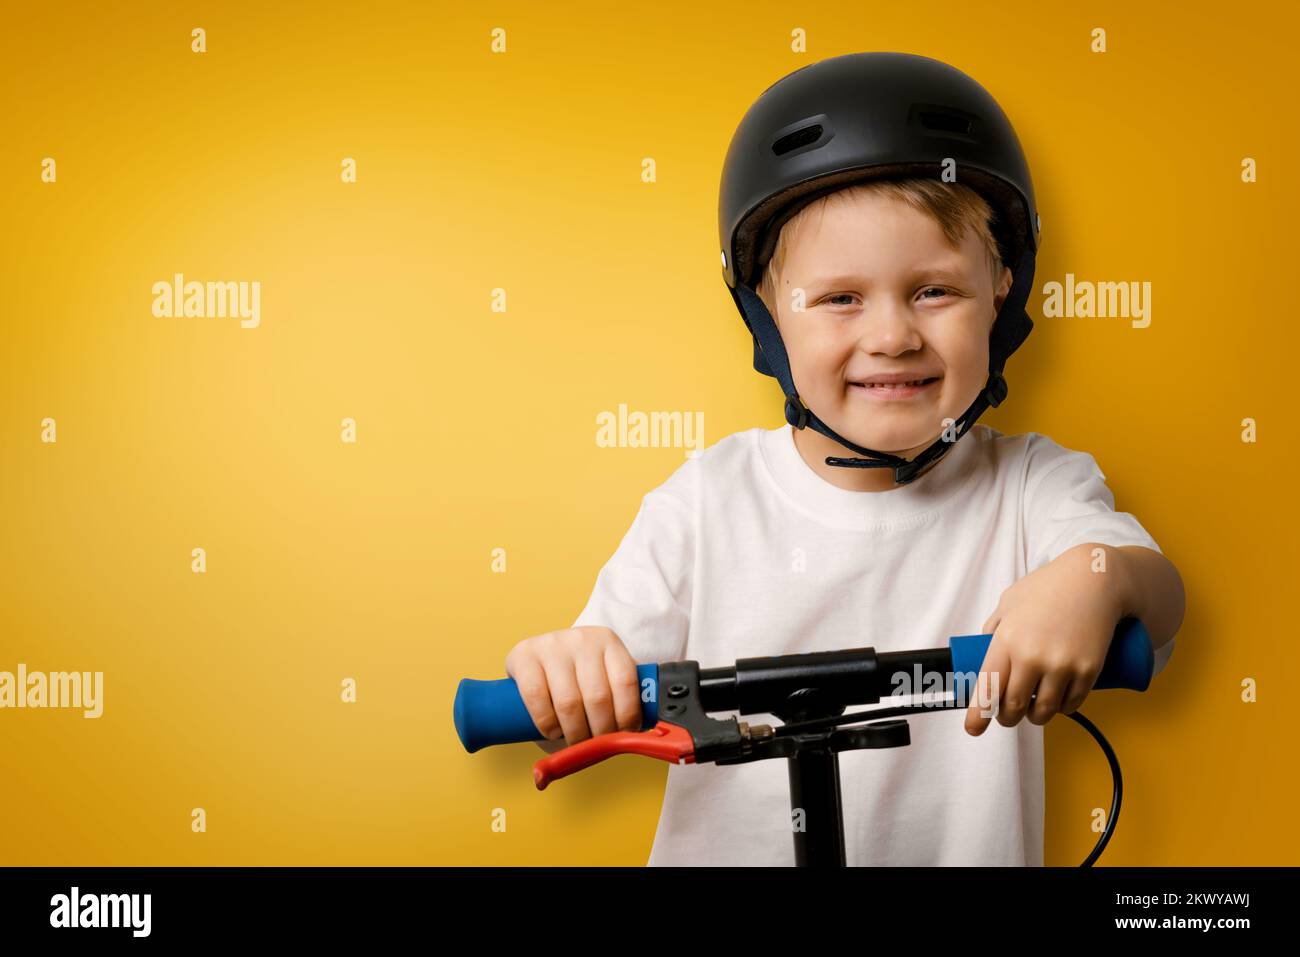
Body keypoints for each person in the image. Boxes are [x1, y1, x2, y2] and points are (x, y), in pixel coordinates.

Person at [504, 52, 1185, 866]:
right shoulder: (705, 504)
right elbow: (603, 665)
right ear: (766, 317)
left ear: (1001, 292)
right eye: (840, 298)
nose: (893, 336)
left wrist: (1090, 579)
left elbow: (1159, 593)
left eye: (934, 290)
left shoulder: (1033, 487)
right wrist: (572, 663)